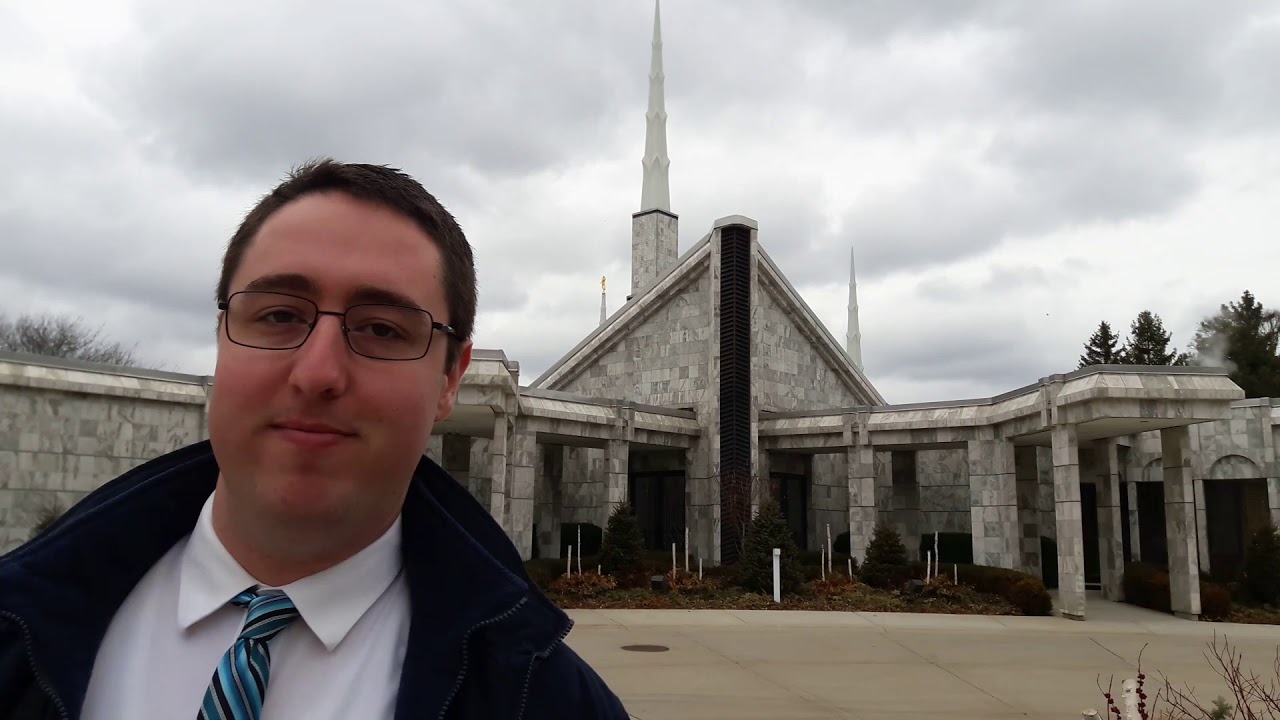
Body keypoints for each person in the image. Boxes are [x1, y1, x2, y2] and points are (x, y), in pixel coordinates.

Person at [0, 159, 630, 719]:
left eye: (382, 329)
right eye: (278, 315)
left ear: (450, 379)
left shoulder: (548, 700)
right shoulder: (15, 632)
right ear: (222, 335)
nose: (317, 373)